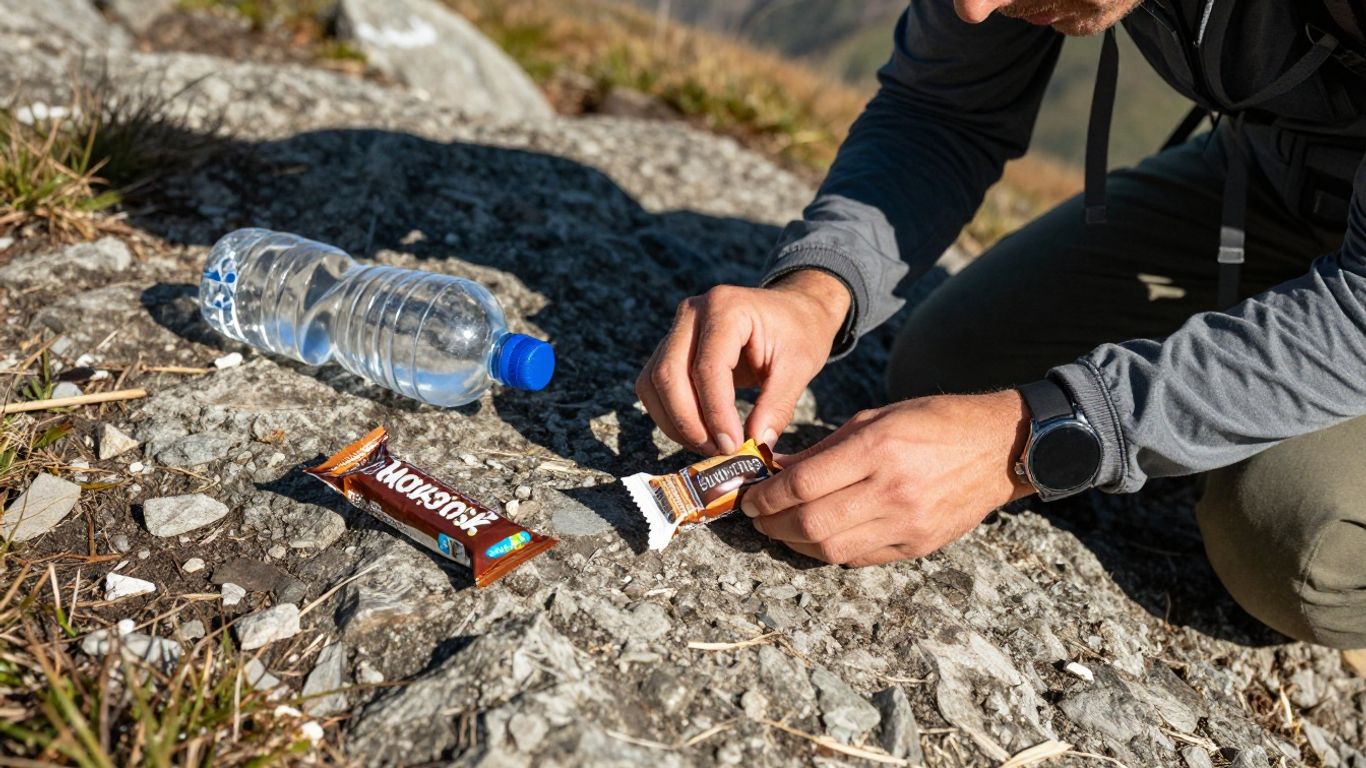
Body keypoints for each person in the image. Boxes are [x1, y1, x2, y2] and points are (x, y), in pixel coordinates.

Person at [635, 0, 1366, 650]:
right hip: (1272, 178)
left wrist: (1032, 439)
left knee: (1296, 541)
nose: (973, 9)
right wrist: (816, 291)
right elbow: (942, 111)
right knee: (957, 365)